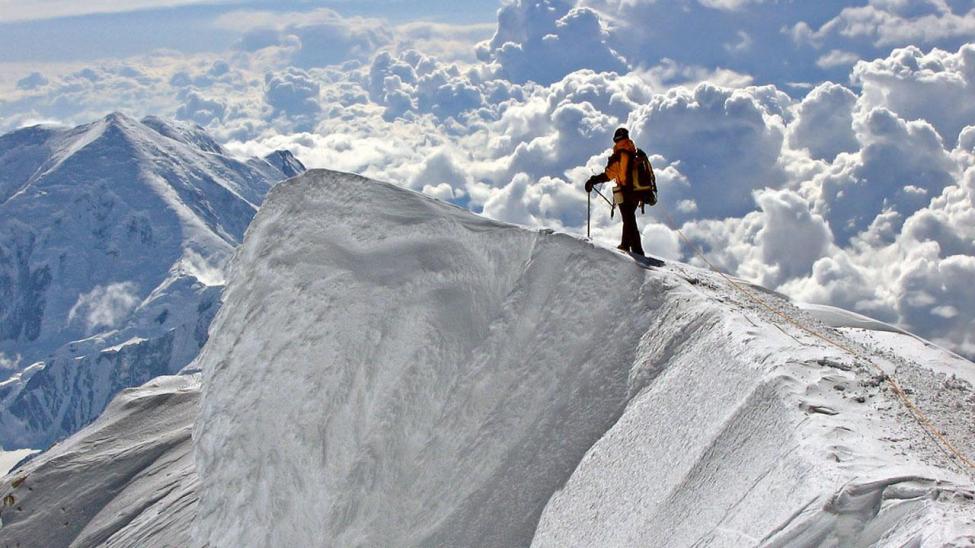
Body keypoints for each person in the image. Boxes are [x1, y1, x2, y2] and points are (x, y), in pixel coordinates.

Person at [585, 127, 645, 257]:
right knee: (629, 218)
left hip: (626, 191)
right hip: (637, 192)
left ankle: (638, 251)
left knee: (629, 220)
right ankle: (626, 245)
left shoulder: (620, 154)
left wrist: (592, 180)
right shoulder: (633, 151)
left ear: (616, 139)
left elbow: (609, 174)